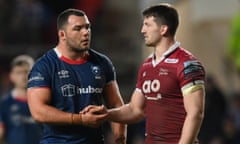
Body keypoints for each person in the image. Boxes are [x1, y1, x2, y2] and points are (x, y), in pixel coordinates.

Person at [83, 3, 206, 144]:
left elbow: (195, 113)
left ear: (163, 29)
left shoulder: (186, 64)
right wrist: (106, 114)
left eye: (148, 25)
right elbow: (136, 110)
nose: (142, 30)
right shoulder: (147, 66)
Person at [27, 8, 126, 144]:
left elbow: (115, 104)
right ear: (62, 35)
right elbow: (38, 112)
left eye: (87, 27)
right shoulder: (44, 66)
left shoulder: (102, 62)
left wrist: (120, 139)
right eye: (78, 28)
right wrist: (80, 119)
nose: (86, 33)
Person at [0, 55, 42, 144]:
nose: (23, 76)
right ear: (11, 76)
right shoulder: (4, 104)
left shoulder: (44, 102)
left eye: (26, 71)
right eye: (19, 72)